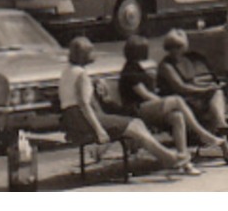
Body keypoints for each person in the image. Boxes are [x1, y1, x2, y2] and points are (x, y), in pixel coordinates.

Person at [58, 37, 189, 175]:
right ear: (83, 55)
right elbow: (83, 104)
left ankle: (168, 157)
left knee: (136, 125)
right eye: (91, 52)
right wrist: (99, 130)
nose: (94, 55)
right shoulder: (81, 75)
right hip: (82, 118)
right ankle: (169, 158)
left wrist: (93, 82)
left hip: (71, 118)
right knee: (135, 124)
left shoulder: (68, 71)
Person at [118, 36, 228, 169]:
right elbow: (145, 95)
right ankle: (203, 134)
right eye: (144, 49)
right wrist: (165, 102)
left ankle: (184, 160)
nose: (147, 51)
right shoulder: (130, 71)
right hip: (137, 110)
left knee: (177, 116)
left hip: (149, 107)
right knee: (176, 100)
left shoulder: (137, 67)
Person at [157, 30, 228, 135]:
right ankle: (219, 126)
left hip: (192, 97)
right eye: (172, 47)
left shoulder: (186, 61)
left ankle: (221, 123)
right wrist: (205, 89)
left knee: (217, 92)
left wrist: (210, 86)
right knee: (212, 96)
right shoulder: (166, 66)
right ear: (168, 48)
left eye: (179, 46)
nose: (175, 50)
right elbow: (180, 87)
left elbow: (193, 81)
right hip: (179, 101)